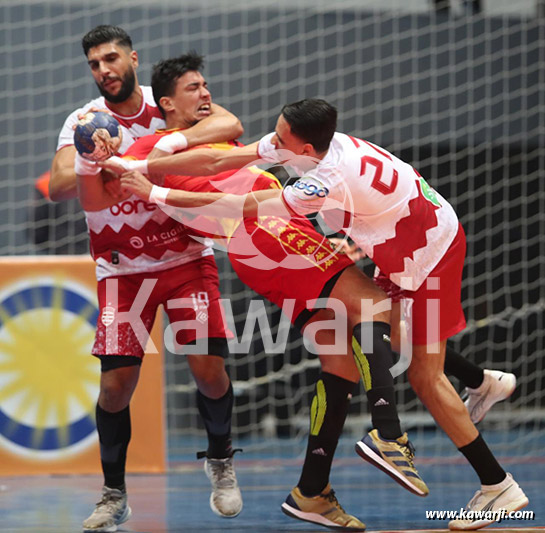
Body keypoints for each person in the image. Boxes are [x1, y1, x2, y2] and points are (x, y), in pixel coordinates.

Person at [113, 98, 528, 531]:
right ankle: (471, 391)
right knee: (373, 334)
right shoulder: (321, 146)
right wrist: (142, 169)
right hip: (411, 234)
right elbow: (233, 154)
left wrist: (153, 189)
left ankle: (488, 480)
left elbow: (246, 205)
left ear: (306, 148)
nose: (273, 139)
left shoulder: (317, 181)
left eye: (282, 135)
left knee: (420, 369)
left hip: (425, 255)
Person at [96, 56, 437, 532]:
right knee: (376, 307)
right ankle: (391, 429)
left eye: (206, 84)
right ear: (167, 102)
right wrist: (107, 148)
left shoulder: (214, 134)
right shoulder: (158, 149)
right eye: (195, 88)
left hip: (271, 230)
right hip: (263, 230)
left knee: (340, 357)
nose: (207, 94)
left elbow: (229, 127)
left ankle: (311, 492)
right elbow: (117, 171)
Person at [50, 26, 244, 533]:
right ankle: (114, 495)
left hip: (185, 258)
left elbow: (228, 123)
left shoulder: (166, 108)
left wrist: (158, 146)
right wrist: (99, 156)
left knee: (207, 368)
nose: (103, 70)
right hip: (122, 271)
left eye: (110, 58)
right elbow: (58, 184)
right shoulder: (85, 121)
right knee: (115, 387)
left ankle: (220, 459)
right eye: (93, 64)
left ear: (132, 58)